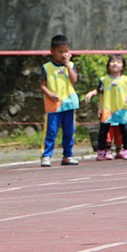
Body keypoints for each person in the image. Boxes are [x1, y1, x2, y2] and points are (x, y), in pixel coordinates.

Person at [85, 54, 127, 161]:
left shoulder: (126, 80)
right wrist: (91, 93)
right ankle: (101, 151)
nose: (115, 63)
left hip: (121, 109)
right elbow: (99, 91)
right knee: (103, 131)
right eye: (112, 61)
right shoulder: (104, 80)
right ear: (108, 65)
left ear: (122, 66)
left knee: (125, 131)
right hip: (107, 109)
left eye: (118, 62)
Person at [39, 34, 80, 167]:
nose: (63, 54)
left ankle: (68, 155)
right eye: (60, 51)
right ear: (52, 51)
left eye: (66, 51)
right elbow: (42, 85)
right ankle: (46, 155)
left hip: (69, 103)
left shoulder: (71, 65)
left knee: (69, 131)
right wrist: (50, 95)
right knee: (51, 131)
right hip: (54, 105)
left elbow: (74, 81)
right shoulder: (47, 67)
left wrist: (67, 65)